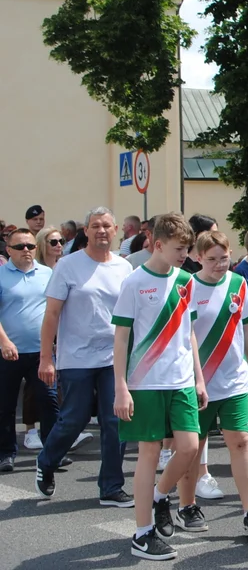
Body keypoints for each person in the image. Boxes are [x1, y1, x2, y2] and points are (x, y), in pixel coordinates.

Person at [111, 212, 205, 560]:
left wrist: (198, 377)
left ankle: (159, 495)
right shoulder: (135, 282)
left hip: (180, 380)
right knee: (149, 452)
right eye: (179, 248)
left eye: (188, 248)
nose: (185, 255)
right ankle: (141, 533)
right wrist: (121, 386)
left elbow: (189, 333)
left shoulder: (186, 280)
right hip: (145, 382)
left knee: (189, 447)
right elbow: (120, 339)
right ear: (159, 244)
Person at [36, 207, 133, 506]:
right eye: (95, 226)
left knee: (115, 420)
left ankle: (111, 487)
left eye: (106, 226)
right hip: (76, 357)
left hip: (112, 358)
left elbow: (131, 315)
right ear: (86, 231)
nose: (101, 231)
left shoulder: (123, 267)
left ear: (116, 229)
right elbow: (52, 314)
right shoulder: (68, 266)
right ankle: (47, 462)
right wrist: (45, 358)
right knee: (73, 419)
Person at [174, 230, 248, 537]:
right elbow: (181, 338)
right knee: (193, 448)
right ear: (197, 258)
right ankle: (186, 505)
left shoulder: (238, 283)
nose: (218, 264)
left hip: (234, 382)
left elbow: (247, 332)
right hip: (196, 383)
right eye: (211, 259)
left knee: (240, 441)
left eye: (224, 258)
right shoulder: (186, 286)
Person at [0, 228, 58, 473]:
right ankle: (6, 453)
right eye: (20, 247)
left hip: (41, 351)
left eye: (31, 246)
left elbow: (57, 310)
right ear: (8, 250)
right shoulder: (1, 275)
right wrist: (4, 341)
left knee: (49, 400)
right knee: (5, 405)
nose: (26, 251)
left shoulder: (48, 274)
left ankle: (53, 452)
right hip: (8, 351)